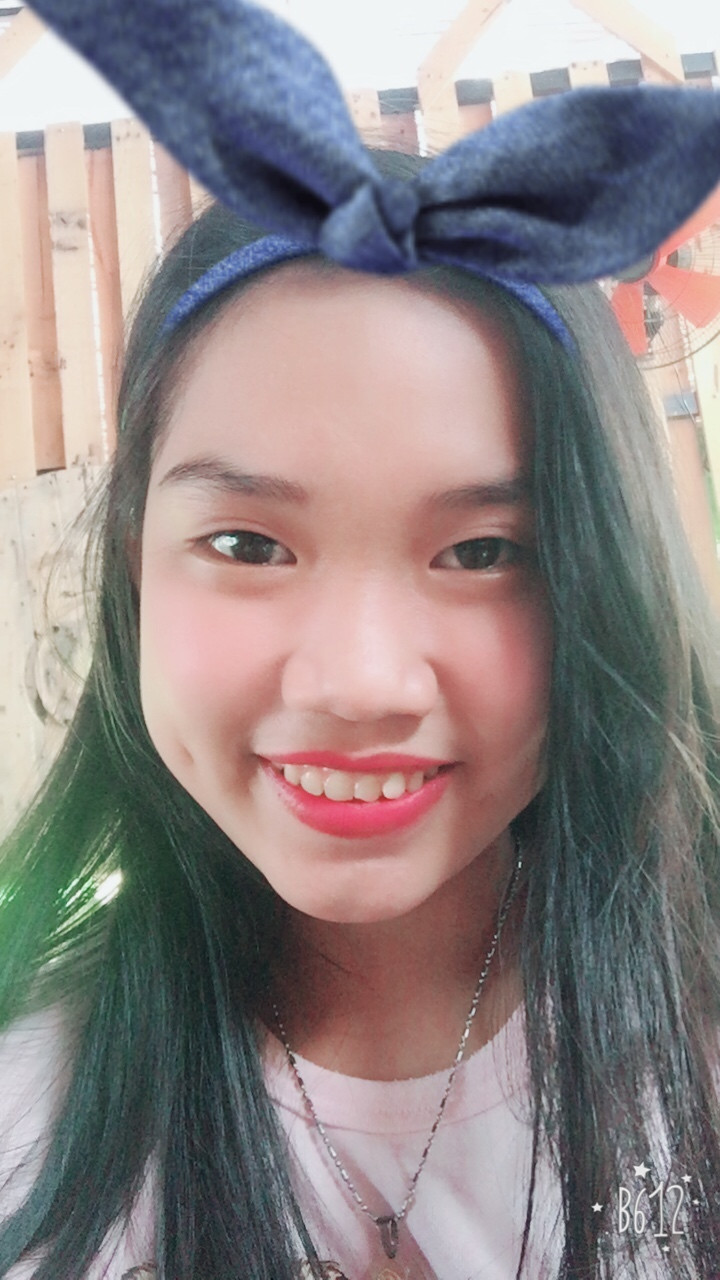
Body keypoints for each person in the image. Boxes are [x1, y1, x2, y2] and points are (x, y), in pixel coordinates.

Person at [3, 3, 720, 1278]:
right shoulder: (26, 1118)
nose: (358, 682)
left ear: (603, 577)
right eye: (248, 544)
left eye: (484, 552)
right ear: (132, 569)